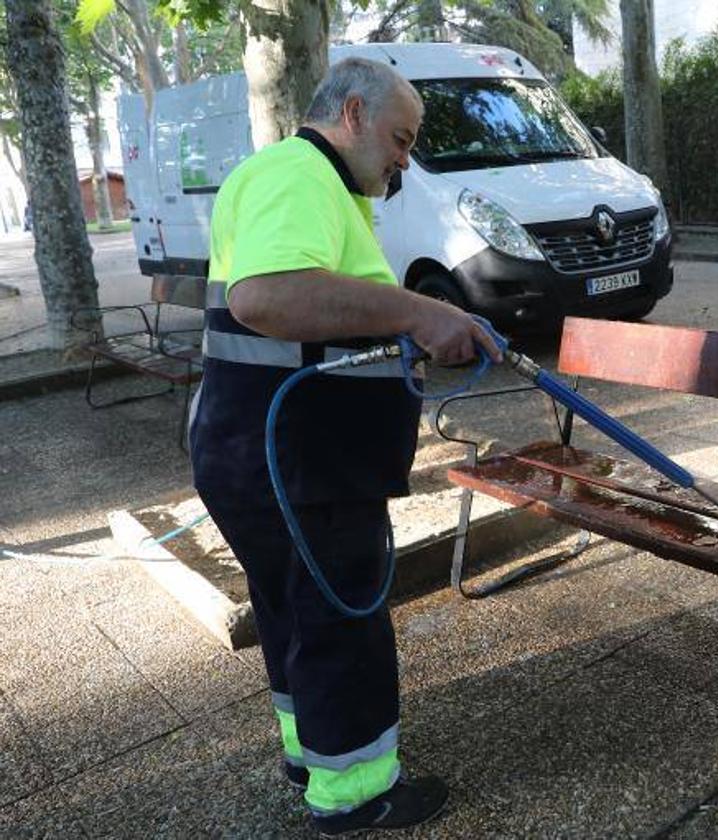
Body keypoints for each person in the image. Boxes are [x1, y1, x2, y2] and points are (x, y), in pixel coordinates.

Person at [190, 57, 500, 835]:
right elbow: (266, 296)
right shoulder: (301, 176)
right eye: (400, 138)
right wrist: (417, 316)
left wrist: (409, 325)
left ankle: (312, 756)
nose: (404, 158)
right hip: (302, 461)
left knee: (292, 613)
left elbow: (318, 318)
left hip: (261, 450)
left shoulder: (296, 181)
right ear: (354, 114)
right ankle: (358, 794)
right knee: (338, 624)